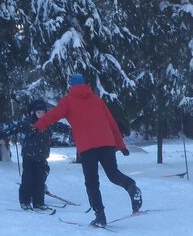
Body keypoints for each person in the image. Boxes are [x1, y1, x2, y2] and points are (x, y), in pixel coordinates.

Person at [34, 73, 142, 227]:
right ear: (84, 84)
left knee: (92, 182)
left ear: (71, 86)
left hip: (87, 147)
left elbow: (53, 115)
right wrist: (120, 145)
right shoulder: (97, 100)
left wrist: (38, 126)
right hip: (106, 143)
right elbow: (112, 123)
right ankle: (131, 186)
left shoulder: (68, 101)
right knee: (113, 174)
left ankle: (100, 216)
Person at [0, 99, 70, 211]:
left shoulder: (49, 122)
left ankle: (38, 202)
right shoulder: (28, 123)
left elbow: (61, 127)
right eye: (38, 112)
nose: (41, 115)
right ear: (33, 112)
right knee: (28, 179)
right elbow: (13, 127)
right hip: (29, 156)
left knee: (40, 179)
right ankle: (25, 201)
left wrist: (73, 129)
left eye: (43, 112)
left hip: (42, 156)